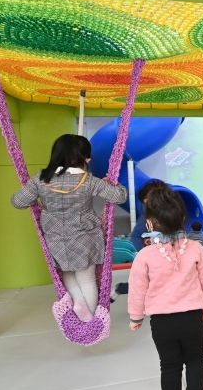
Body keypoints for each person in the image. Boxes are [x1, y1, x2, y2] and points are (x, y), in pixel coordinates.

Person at [11, 134, 127, 322]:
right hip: (85, 238)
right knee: (87, 279)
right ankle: (89, 323)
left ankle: (78, 301)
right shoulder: (88, 180)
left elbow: (17, 202)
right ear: (83, 158)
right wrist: (112, 183)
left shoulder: (41, 179)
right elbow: (119, 197)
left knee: (67, 272)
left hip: (56, 239)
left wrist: (37, 202)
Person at [127, 184, 203, 390]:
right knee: (196, 358)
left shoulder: (144, 256)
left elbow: (137, 289)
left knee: (169, 365)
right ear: (183, 219)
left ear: (149, 224)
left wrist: (136, 317)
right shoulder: (196, 249)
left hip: (162, 322)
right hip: (191, 317)